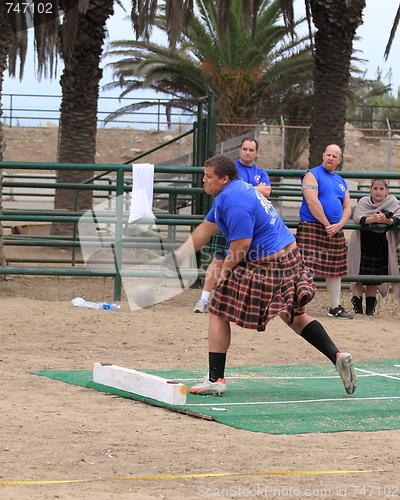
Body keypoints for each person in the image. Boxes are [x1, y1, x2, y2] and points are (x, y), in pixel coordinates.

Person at [168, 154, 357, 397]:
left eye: (209, 176)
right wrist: (178, 256)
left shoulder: (234, 200)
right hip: (290, 258)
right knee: (295, 316)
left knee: (217, 308)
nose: (203, 180)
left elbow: (241, 246)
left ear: (224, 178)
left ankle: (216, 379)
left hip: (267, 263)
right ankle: (337, 356)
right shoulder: (234, 191)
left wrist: (222, 274)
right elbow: (206, 228)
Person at [193, 137, 271, 313]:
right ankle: (204, 299)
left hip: (246, 222)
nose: (247, 152)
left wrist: (244, 188)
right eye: (244, 149)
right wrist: (253, 188)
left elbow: (267, 191)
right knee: (218, 259)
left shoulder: (261, 172)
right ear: (240, 150)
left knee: (247, 262)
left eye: (251, 150)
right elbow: (254, 190)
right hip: (227, 221)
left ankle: (237, 303)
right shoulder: (228, 168)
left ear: (256, 153)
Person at [296, 144, 353, 320]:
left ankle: (335, 307)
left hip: (334, 229)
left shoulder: (341, 181)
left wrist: (339, 225)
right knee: (304, 265)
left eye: (334, 156)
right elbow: (312, 201)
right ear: (323, 155)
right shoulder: (312, 174)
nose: (330, 158)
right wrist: (327, 223)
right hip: (312, 225)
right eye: (328, 154)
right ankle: (297, 305)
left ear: (339, 160)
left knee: (336, 269)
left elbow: (348, 207)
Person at [348, 179, 400, 316]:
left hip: (381, 244)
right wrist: (374, 219)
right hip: (361, 244)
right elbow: (358, 218)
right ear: (370, 190)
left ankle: (370, 310)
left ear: (386, 191)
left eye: (381, 189)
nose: (378, 192)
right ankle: (358, 309)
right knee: (358, 276)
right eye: (375, 188)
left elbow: (398, 218)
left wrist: (388, 221)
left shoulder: (392, 202)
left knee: (374, 279)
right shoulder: (364, 201)